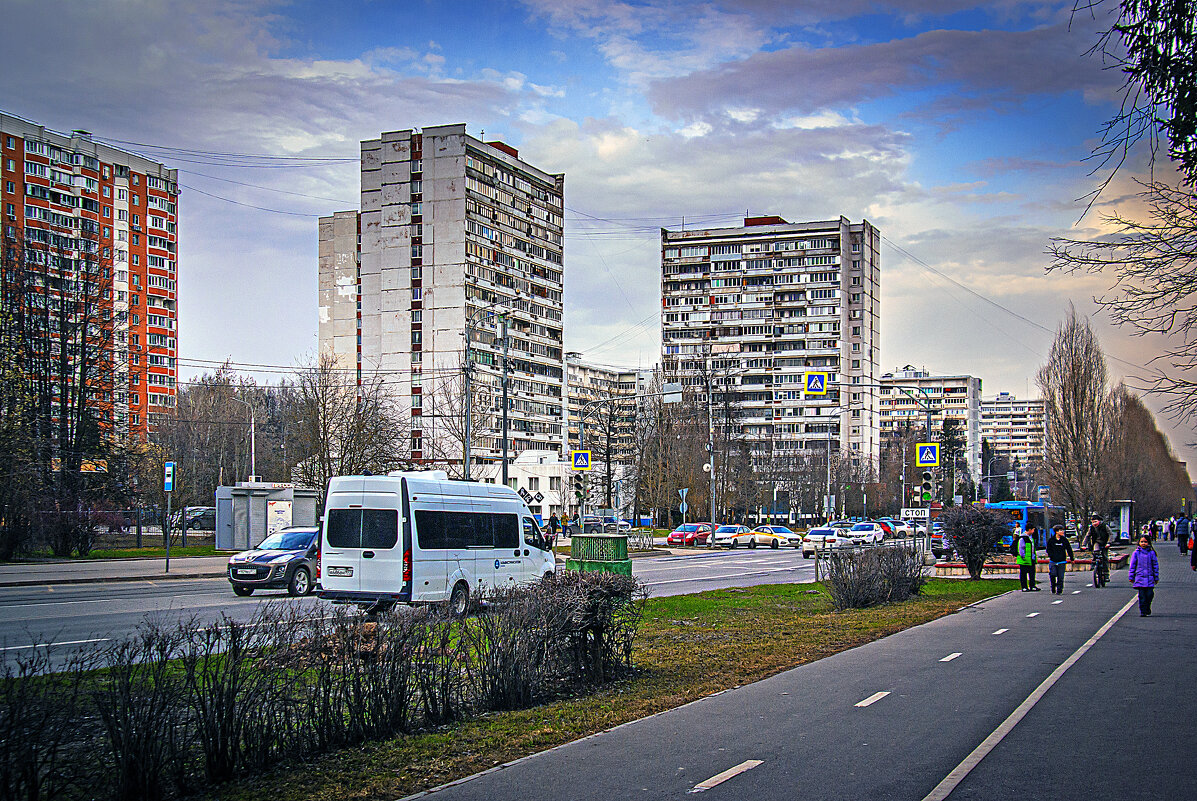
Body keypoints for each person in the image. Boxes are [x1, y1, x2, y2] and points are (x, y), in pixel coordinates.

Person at [1128, 535, 1160, 616]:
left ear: (1148, 543)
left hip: (1150, 578)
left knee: (1150, 595)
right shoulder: (1136, 553)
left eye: (1145, 542)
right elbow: (1132, 565)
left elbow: (1155, 565)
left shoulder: (1152, 553)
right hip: (1140, 578)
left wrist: (1156, 577)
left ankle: (1147, 607)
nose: (1143, 543)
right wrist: (1131, 576)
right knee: (1142, 596)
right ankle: (1143, 611)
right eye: (1142, 542)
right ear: (1139, 543)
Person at [1044, 525, 1074, 595]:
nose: (1062, 532)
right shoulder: (1051, 540)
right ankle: (1053, 586)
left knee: (1061, 576)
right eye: (1060, 530)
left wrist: (1072, 558)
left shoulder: (1064, 540)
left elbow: (1069, 549)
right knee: (1053, 574)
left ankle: (1059, 590)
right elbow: (1048, 550)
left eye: (1062, 530)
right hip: (1053, 561)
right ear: (1056, 532)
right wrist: (1051, 556)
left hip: (1062, 560)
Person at [1016, 524, 1040, 591]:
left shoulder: (1030, 537)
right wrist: (1023, 556)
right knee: (1023, 574)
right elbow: (1021, 549)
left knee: (1032, 573)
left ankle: (1032, 586)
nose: (1033, 531)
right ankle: (1024, 587)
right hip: (1024, 560)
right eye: (1033, 530)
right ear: (1029, 529)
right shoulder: (1023, 538)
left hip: (1031, 559)